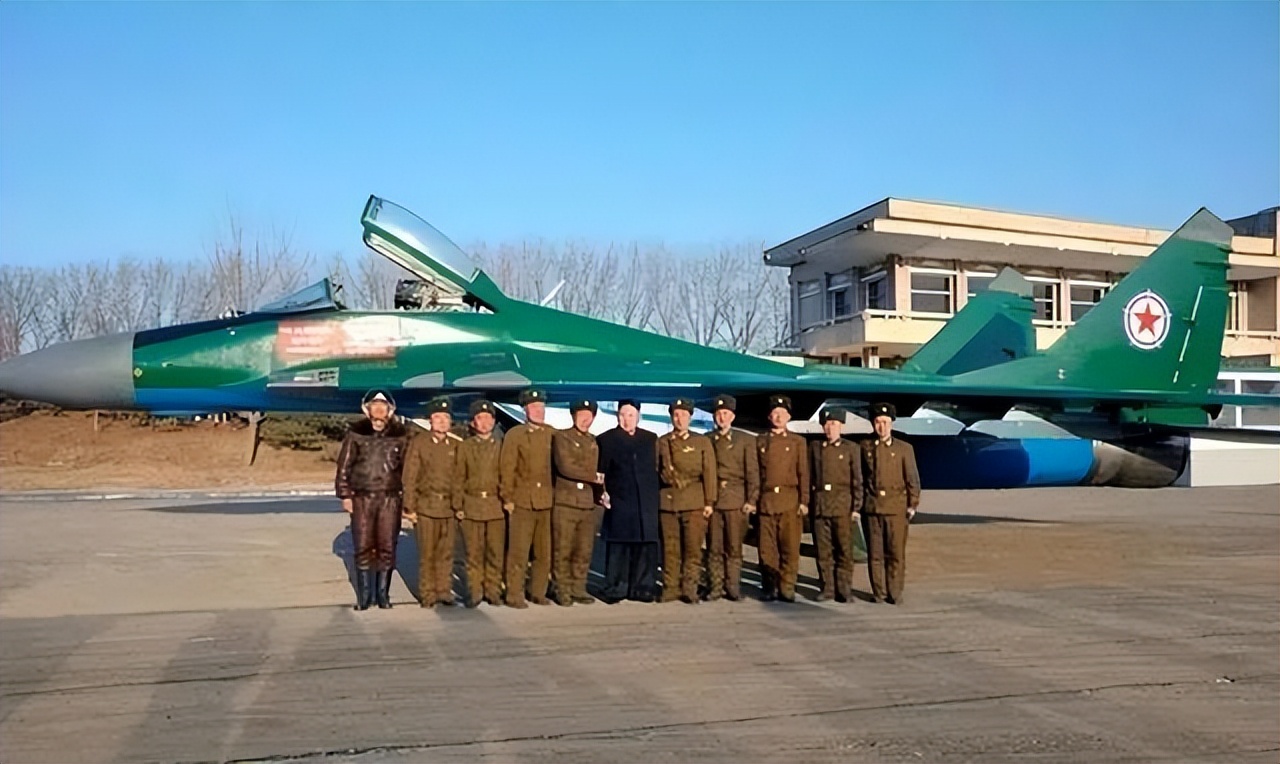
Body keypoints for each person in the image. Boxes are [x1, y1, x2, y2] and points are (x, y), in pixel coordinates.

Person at [335, 389, 410, 610]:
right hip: (363, 498)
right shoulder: (356, 434)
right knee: (363, 545)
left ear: (390, 410)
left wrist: (407, 500)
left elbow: (407, 470)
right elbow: (344, 467)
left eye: (383, 405)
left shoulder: (401, 435)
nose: (379, 409)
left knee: (387, 545)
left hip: (390, 498)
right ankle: (364, 595)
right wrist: (345, 495)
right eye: (374, 405)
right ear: (367, 409)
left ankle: (383, 595)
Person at [595, 400, 661, 603]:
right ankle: (616, 587)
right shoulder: (606, 439)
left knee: (644, 548)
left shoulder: (650, 439)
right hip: (621, 501)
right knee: (619, 548)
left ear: (638, 416)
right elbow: (600, 473)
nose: (626, 420)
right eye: (622, 415)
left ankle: (642, 588)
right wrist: (602, 493)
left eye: (631, 415)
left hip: (646, 502)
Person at [656, 397, 717, 604]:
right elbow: (656, 470)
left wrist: (709, 502)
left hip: (693, 501)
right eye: (675, 415)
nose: (679, 419)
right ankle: (670, 587)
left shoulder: (701, 442)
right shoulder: (662, 442)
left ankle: (689, 587)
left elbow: (709, 472)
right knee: (670, 548)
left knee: (692, 548)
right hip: (669, 501)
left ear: (690, 417)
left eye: (683, 415)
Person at [403, 397, 462, 607]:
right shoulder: (419, 443)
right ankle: (428, 594)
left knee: (446, 553)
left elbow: (461, 477)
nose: (442, 422)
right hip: (426, 507)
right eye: (438, 418)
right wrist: (409, 507)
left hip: (449, 507)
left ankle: (444, 590)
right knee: (427, 554)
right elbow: (410, 475)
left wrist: (460, 506)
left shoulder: (456, 445)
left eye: (446, 418)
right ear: (430, 421)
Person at [860, 402, 921, 605]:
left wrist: (912, 505)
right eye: (878, 422)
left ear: (892, 424)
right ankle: (878, 592)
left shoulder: (904, 449)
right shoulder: (865, 447)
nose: (881, 427)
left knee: (895, 553)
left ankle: (894, 592)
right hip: (872, 507)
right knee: (875, 554)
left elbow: (912, 479)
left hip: (896, 508)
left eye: (885, 422)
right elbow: (860, 478)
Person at [500, 388, 555, 608]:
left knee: (544, 553)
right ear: (525, 410)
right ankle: (514, 593)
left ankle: (538, 592)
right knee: (518, 552)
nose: (538, 411)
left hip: (546, 501)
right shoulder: (515, 435)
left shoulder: (552, 434)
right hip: (522, 502)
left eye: (541, 408)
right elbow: (507, 468)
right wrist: (507, 498)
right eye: (533, 408)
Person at [706, 394, 759, 601]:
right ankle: (715, 586)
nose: (721, 417)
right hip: (715, 499)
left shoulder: (745, 440)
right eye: (718, 414)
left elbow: (752, 472)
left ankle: (733, 586)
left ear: (732, 416)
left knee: (734, 547)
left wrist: (751, 500)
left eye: (725, 413)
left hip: (737, 500)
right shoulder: (708, 440)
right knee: (714, 546)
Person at [756, 394, 809, 602]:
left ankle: (787, 587)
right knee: (767, 549)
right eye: (775, 413)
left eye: (782, 413)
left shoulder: (798, 442)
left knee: (789, 547)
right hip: (767, 500)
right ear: (770, 416)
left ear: (789, 416)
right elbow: (755, 472)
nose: (779, 417)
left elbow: (803, 472)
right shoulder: (760, 441)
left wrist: (804, 501)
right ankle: (769, 586)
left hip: (790, 500)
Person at [551, 399, 602, 606]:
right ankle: (561, 589)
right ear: (573, 416)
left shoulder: (594, 441)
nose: (585, 419)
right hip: (566, 502)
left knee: (584, 549)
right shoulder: (562, 437)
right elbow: (566, 467)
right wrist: (594, 476)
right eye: (581, 415)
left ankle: (578, 587)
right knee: (562, 549)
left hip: (587, 504)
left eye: (589, 415)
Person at [454, 399, 505, 608]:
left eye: (488, 418)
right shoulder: (465, 447)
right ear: (473, 423)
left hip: (495, 505)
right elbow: (458, 477)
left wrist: (507, 500)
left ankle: (492, 590)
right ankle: (474, 591)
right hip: (472, 504)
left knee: (494, 551)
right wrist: (458, 505)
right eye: (479, 418)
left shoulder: (502, 446)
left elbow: (508, 475)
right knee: (473, 553)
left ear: (493, 421)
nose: (484, 423)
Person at [809, 408, 863, 603]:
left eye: (834, 424)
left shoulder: (851, 449)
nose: (830, 428)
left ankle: (844, 589)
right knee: (823, 552)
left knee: (844, 551)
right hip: (821, 507)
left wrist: (856, 508)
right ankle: (827, 588)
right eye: (827, 425)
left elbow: (857, 480)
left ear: (841, 426)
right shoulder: (815, 448)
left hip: (843, 507)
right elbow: (810, 477)